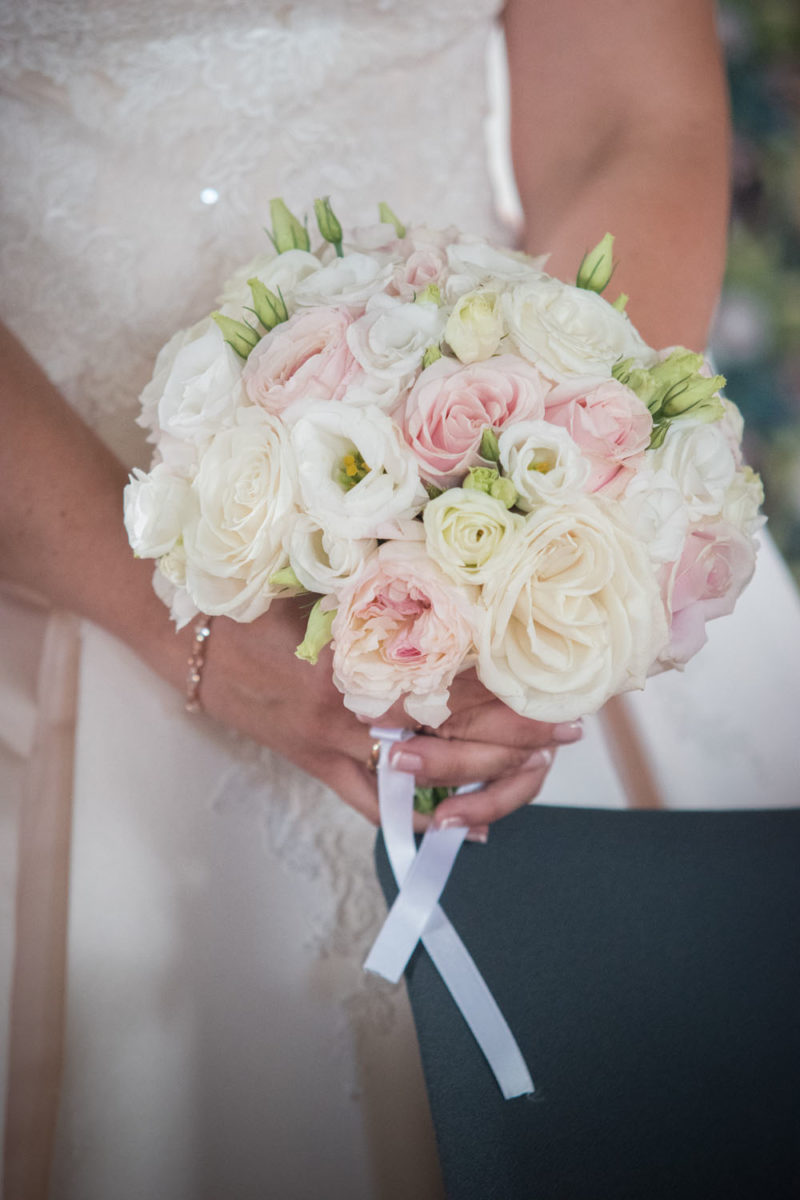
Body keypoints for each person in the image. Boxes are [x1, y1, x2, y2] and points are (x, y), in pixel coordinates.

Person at [1, 0, 798, 1198]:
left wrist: (532, 542)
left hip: (512, 509)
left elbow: (629, 117)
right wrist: (199, 628)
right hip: (59, 554)